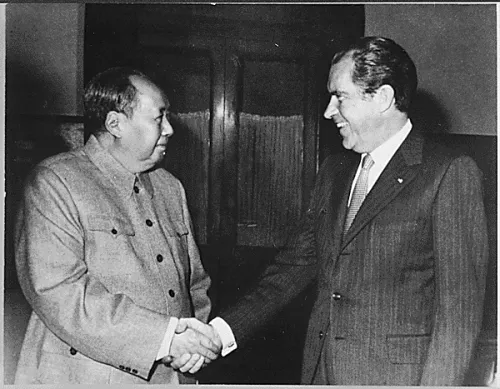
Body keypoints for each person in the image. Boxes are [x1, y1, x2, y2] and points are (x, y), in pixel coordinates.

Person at [177, 36, 489, 385]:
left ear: (382, 98)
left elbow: (458, 317)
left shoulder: (448, 173)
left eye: (340, 97)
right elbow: (291, 270)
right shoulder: (334, 173)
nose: (328, 111)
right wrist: (218, 333)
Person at [14, 67, 222, 384]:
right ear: (115, 124)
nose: (169, 129)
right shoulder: (55, 183)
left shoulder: (170, 188)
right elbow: (59, 292)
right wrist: (166, 340)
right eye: (158, 117)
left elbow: (194, 286)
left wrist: (194, 347)